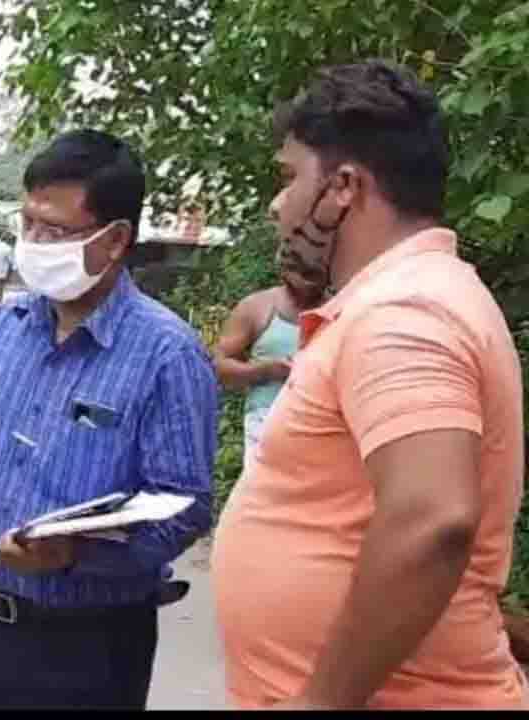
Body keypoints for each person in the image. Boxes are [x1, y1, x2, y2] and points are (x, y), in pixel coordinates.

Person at [212, 60, 527, 710]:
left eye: (289, 176)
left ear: (344, 187)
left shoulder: (402, 314)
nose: (277, 203)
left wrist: (323, 700)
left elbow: (432, 517)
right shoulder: (403, 301)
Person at [0, 129, 218, 710]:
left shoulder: (166, 353)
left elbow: (185, 505)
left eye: (55, 231)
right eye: (28, 224)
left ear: (115, 240)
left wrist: (75, 556)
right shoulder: (2, 329)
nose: (34, 243)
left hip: (94, 643)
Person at [213, 246, 327, 476]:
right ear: (284, 267)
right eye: (299, 270)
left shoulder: (341, 309)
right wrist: (266, 371)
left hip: (323, 427)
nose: (306, 278)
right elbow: (216, 366)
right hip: (266, 421)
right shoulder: (257, 307)